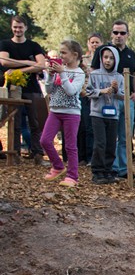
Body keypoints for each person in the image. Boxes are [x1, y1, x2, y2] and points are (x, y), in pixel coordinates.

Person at [90, 20, 135, 179]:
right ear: (112, 34)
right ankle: (108, 168)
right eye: (116, 32)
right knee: (108, 138)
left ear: (127, 35)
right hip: (104, 102)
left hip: (125, 98)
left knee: (125, 135)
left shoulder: (131, 54)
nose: (119, 36)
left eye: (122, 33)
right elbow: (93, 75)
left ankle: (124, 169)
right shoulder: (102, 51)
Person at [0, 15, 47, 163]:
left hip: (32, 87)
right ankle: (15, 154)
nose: (17, 29)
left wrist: (20, 70)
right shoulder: (5, 44)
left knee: (35, 121)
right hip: (13, 87)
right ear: (11, 27)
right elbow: (4, 61)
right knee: (15, 121)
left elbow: (41, 65)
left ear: (25, 28)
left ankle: (37, 153)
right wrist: (28, 62)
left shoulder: (34, 45)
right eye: (15, 27)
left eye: (20, 27)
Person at [39, 40, 85, 187]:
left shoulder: (79, 73)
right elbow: (49, 90)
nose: (61, 56)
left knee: (70, 146)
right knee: (45, 140)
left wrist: (62, 74)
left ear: (75, 54)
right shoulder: (61, 70)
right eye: (60, 53)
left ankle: (73, 176)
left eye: (64, 53)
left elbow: (71, 91)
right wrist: (51, 76)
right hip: (55, 111)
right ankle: (58, 166)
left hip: (71, 113)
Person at [87, 46, 125, 184]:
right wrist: (101, 91)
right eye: (105, 57)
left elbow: (123, 95)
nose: (108, 61)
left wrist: (115, 90)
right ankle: (97, 172)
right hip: (97, 113)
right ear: (101, 58)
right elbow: (88, 92)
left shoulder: (119, 77)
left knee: (110, 143)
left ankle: (108, 170)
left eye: (111, 58)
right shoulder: (95, 74)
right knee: (100, 143)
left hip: (113, 114)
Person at [78, 32, 103, 164]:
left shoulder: (104, 59)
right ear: (88, 44)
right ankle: (86, 156)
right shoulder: (83, 60)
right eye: (92, 42)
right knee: (85, 126)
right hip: (84, 95)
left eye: (97, 42)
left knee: (94, 128)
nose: (94, 44)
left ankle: (94, 157)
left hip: (99, 95)